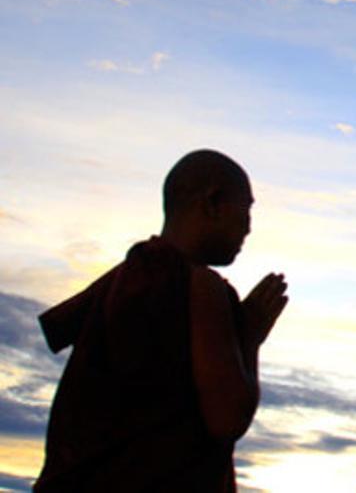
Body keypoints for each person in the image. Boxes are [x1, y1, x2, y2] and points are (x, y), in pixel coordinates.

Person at [34, 149, 288, 491]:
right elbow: (228, 418)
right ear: (212, 202)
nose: (248, 227)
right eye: (246, 209)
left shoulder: (123, 279)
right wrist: (250, 337)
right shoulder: (199, 286)